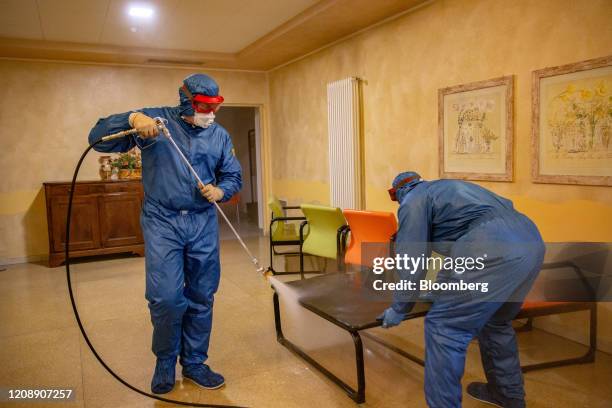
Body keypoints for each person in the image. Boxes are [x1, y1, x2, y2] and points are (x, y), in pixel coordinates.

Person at [88, 74, 242, 394]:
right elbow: (97, 138)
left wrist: (220, 189)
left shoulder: (219, 136)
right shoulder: (156, 122)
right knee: (167, 298)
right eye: (203, 107)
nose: (209, 115)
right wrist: (132, 118)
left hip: (201, 222)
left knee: (202, 295)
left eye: (215, 108)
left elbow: (233, 176)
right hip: (163, 221)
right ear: (187, 101)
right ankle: (165, 360)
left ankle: (195, 362)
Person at [378, 172, 545, 408]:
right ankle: (507, 396)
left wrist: (399, 307)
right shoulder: (445, 191)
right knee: (496, 323)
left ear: (399, 192)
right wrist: (429, 288)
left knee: (444, 329)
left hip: (491, 245)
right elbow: (439, 253)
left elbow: (412, 257)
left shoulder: (413, 200)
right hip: (531, 240)